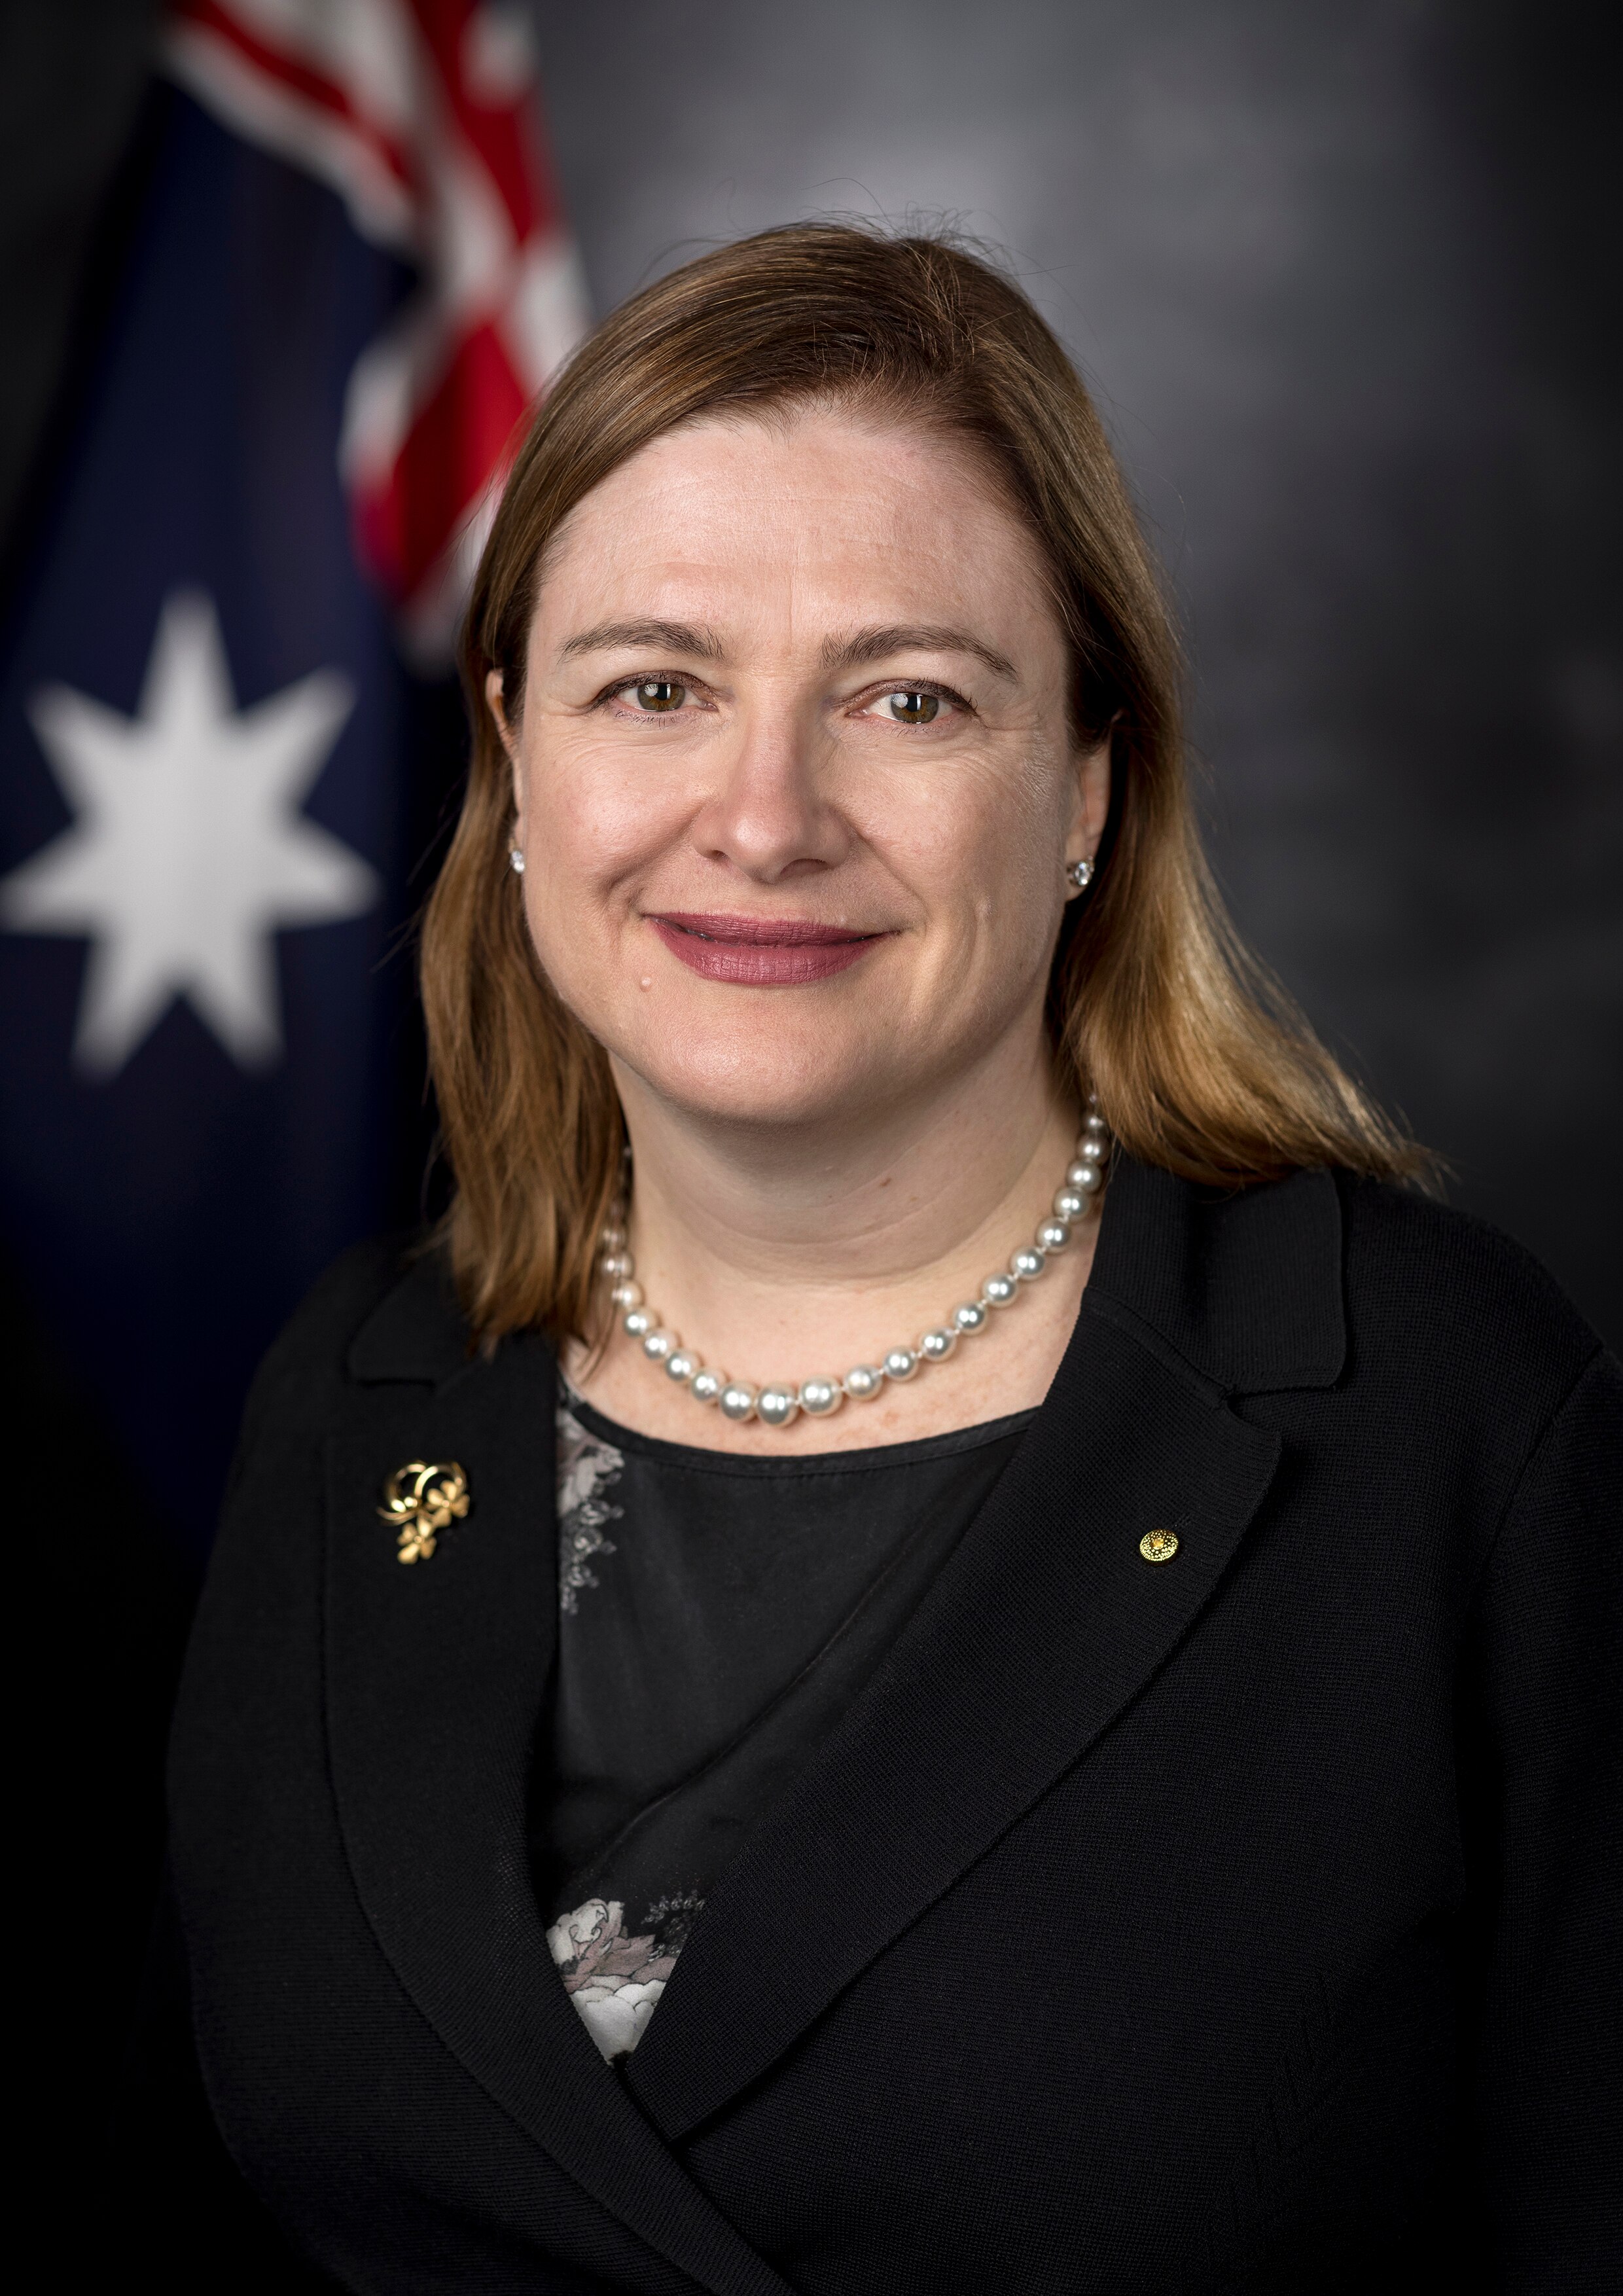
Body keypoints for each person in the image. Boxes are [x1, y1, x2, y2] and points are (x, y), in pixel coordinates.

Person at [145, 224, 1620, 2291]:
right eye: (656, 687)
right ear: (516, 754)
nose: (765, 817)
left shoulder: (1446, 1420)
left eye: (908, 698)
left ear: (1089, 782)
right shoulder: (359, 1386)